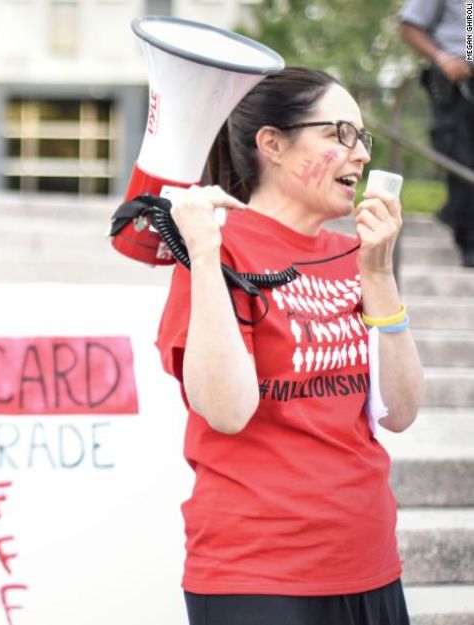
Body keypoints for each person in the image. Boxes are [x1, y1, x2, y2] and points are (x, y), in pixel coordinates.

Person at [156, 67, 425, 625]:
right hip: (258, 573)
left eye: (362, 138)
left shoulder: (352, 254)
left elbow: (400, 411)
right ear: (272, 144)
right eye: (337, 134)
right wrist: (204, 256)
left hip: (368, 560)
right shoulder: (219, 248)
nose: (358, 155)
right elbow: (227, 410)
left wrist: (378, 273)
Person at [399, 0, 474, 267]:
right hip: (458, 77)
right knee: (461, 157)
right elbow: (410, 25)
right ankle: (468, 239)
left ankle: (453, 212)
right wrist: (443, 58)